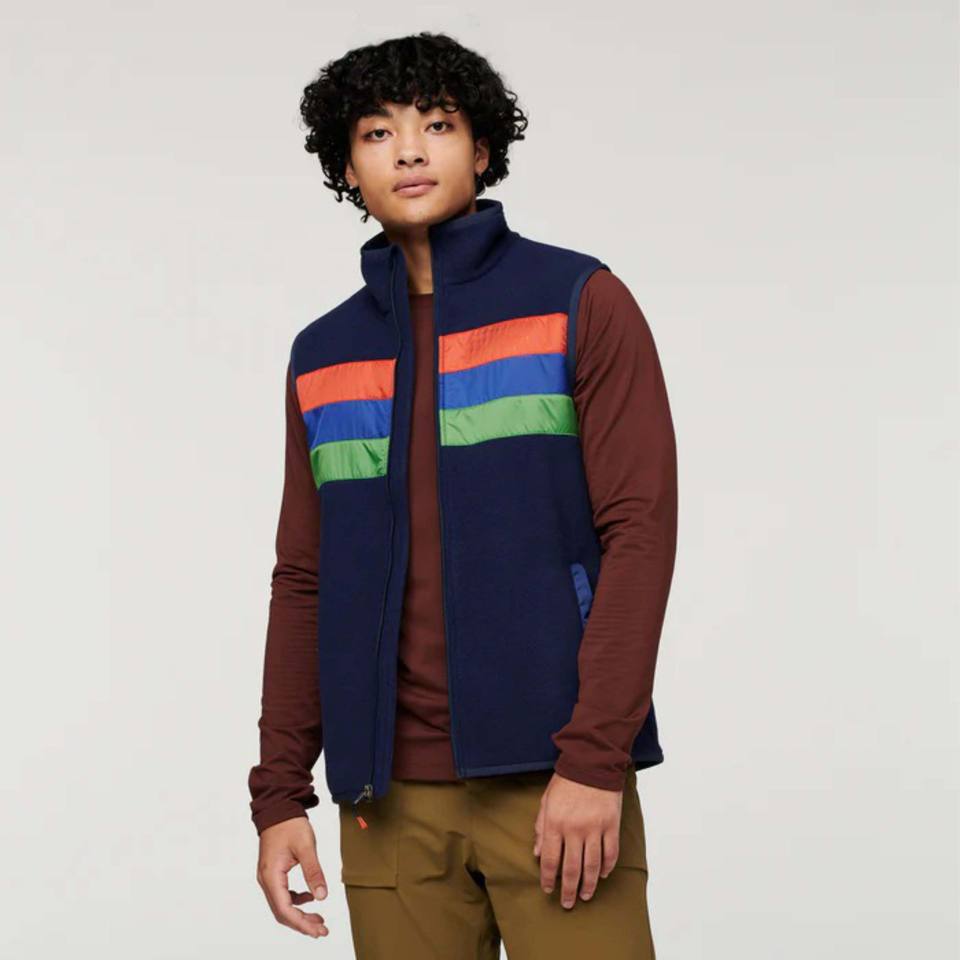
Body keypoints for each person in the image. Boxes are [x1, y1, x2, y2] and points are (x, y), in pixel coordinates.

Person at [248, 31, 678, 959]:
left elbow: (639, 534)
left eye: (437, 125)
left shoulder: (578, 300)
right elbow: (305, 578)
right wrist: (279, 792)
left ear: (482, 149)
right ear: (346, 166)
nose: (408, 151)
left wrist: (595, 759)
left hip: (558, 781)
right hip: (388, 803)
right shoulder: (323, 354)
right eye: (377, 133)